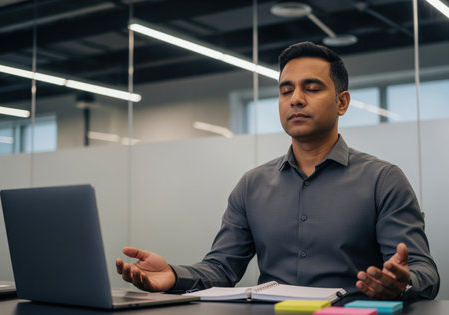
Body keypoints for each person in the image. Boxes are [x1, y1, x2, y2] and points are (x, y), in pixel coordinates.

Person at [116, 42, 440, 302]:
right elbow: (221, 269)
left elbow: (424, 270)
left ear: (342, 102)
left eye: (311, 88)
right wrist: (173, 274)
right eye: (286, 90)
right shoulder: (252, 185)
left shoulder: (382, 180)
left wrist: (403, 282)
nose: (296, 99)